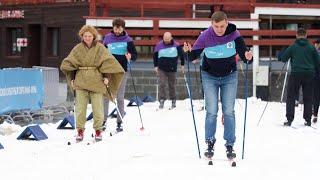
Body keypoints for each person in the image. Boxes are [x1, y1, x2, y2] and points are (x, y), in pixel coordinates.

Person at [183, 11, 253, 159]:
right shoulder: (205, 36)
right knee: (212, 111)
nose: (219, 29)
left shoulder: (235, 36)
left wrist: (248, 57)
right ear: (211, 25)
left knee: (228, 111)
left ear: (227, 23)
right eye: (216, 26)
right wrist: (187, 52)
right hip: (209, 76)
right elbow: (192, 56)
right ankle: (209, 141)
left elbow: (245, 56)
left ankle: (229, 143)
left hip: (229, 76)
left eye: (222, 26)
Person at [60, 25, 125, 141]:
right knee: (80, 109)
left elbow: (107, 63)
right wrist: (72, 78)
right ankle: (80, 131)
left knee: (98, 108)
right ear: (82, 36)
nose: (88, 38)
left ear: (94, 36)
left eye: (90, 36)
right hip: (81, 81)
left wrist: (106, 77)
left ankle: (98, 131)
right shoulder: (77, 48)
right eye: (85, 36)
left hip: (97, 81)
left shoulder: (100, 48)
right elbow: (71, 63)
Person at [279, 28, 320, 127]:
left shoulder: (293, 47)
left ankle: (289, 119)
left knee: (291, 97)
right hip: (309, 74)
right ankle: (308, 120)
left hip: (296, 73)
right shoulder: (311, 47)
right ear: (306, 35)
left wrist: (284, 51)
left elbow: (283, 58)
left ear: (296, 35)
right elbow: (318, 62)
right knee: (308, 97)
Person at [102, 17, 138, 132]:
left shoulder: (128, 40)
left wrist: (130, 56)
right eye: (115, 29)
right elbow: (102, 52)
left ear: (123, 28)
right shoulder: (107, 38)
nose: (117, 31)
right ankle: (103, 120)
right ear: (113, 28)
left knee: (120, 97)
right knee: (106, 96)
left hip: (122, 71)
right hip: (108, 71)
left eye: (119, 29)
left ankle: (119, 121)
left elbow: (135, 55)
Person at [153, 32, 184, 109]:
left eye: (167, 39)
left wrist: (182, 65)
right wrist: (155, 66)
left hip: (172, 68)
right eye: (164, 39)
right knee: (162, 84)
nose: (166, 41)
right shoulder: (159, 45)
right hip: (161, 68)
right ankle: (162, 100)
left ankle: (173, 100)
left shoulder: (176, 45)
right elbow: (155, 56)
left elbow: (181, 55)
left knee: (172, 85)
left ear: (171, 38)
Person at [312, 38, 320, 123]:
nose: (315, 45)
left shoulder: (316, 53)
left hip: (316, 76)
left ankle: (315, 114)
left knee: (316, 96)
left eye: (316, 44)